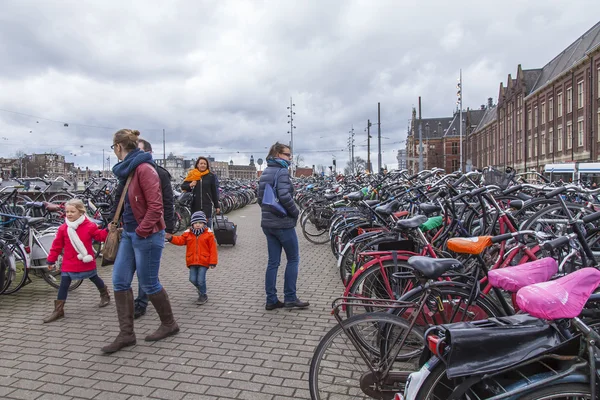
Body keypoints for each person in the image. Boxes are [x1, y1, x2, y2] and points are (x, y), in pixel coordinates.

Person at [102, 129, 178, 354]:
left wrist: (143, 232)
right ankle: (126, 334)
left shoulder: (144, 169)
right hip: (128, 234)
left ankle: (169, 324)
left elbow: (156, 207)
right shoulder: (128, 170)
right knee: (119, 281)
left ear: (118, 147)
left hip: (146, 235)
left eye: (113, 148)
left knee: (149, 283)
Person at [257, 142, 309, 310]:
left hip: (268, 224)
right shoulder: (282, 172)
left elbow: (260, 198)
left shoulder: (265, 171)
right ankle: (290, 297)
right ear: (278, 154)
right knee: (293, 259)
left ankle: (271, 300)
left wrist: (269, 213)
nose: (290, 157)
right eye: (287, 154)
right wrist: (295, 212)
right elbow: (285, 196)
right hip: (283, 224)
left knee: (273, 262)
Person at [44, 199, 110, 323]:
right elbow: (56, 246)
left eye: (72, 211)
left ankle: (104, 293)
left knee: (94, 278)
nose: (69, 214)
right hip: (69, 262)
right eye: (67, 211)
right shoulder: (63, 228)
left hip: (86, 260)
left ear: (80, 212)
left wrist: (108, 230)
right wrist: (51, 260)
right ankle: (58, 310)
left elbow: (99, 236)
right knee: (64, 285)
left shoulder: (90, 226)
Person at [133, 138, 175, 320]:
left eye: (138, 150)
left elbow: (167, 202)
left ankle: (142, 302)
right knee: (137, 269)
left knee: (146, 269)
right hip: (132, 228)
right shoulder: (130, 171)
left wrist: (169, 227)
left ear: (149, 153)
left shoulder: (160, 174)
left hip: (151, 228)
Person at [166, 211, 217, 305]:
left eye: (200, 223)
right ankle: (201, 289)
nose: (198, 225)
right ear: (192, 223)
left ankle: (203, 294)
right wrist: (171, 238)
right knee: (192, 279)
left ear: (204, 223)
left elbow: (213, 250)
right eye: (195, 223)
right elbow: (180, 240)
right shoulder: (188, 233)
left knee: (201, 280)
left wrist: (212, 262)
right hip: (192, 261)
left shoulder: (209, 235)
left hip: (204, 261)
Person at [181, 157, 220, 229]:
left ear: (207, 165)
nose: (203, 165)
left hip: (207, 205)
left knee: (207, 228)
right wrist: (190, 184)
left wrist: (217, 206)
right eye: (201, 163)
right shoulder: (192, 174)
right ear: (197, 165)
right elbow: (183, 187)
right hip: (195, 205)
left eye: (205, 164)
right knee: (196, 227)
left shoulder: (211, 176)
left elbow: (214, 191)